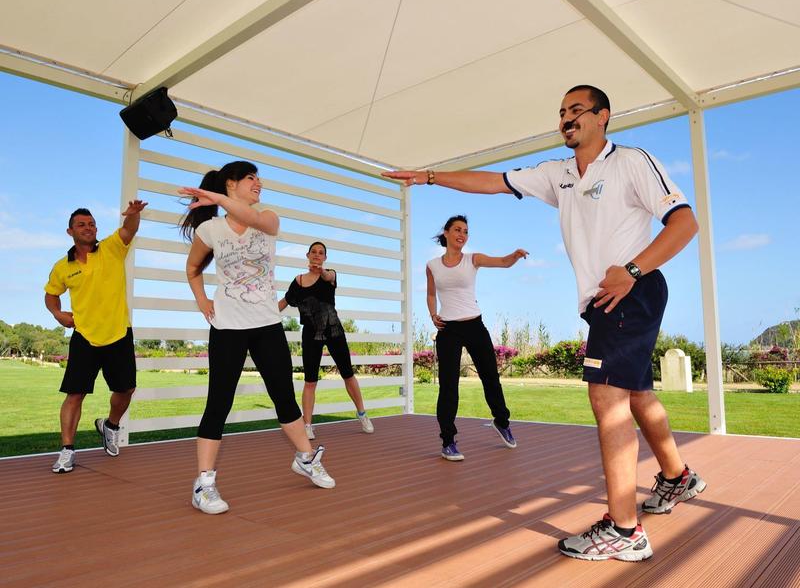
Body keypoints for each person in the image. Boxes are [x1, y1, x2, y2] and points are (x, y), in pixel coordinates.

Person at [383, 85, 706, 562]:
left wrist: (632, 270)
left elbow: (684, 224)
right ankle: (678, 478)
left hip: (630, 292)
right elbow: (493, 182)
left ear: (603, 117)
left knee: (606, 395)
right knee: (636, 394)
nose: (566, 117)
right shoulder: (557, 175)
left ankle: (624, 529)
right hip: (604, 299)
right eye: (561, 112)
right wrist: (430, 177)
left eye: (577, 110)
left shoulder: (631, 161)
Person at [178, 161, 335, 515]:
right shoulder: (211, 230)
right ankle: (203, 484)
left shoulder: (268, 218)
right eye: (251, 178)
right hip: (228, 328)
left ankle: (306, 459)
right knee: (218, 404)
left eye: (259, 178)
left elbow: (256, 220)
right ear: (232, 184)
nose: (259, 183)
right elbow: (192, 269)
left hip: (266, 324)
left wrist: (217, 197)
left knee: (284, 397)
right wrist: (203, 302)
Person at [45, 201, 147, 473]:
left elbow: (129, 230)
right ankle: (67, 451)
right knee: (74, 395)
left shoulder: (112, 248)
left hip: (118, 333)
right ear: (70, 232)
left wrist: (133, 214)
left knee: (126, 390)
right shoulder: (62, 267)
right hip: (85, 337)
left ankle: (110, 425)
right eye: (81, 225)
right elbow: (51, 293)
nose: (87, 228)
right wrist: (57, 314)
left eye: (91, 224)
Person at [426, 215, 528, 461]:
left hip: (474, 325)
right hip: (447, 330)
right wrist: (433, 314)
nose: (462, 234)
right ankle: (448, 441)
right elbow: (431, 294)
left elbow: (502, 262)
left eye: (466, 231)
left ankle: (501, 421)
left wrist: (514, 256)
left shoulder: (473, 259)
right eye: (458, 230)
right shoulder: (432, 265)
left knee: (490, 377)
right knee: (448, 386)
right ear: (447, 233)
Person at [278, 241, 374, 439]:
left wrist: (321, 271)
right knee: (310, 381)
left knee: (348, 374)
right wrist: (262, 313)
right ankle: (307, 425)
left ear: (325, 258)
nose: (317, 255)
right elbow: (284, 302)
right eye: (313, 252)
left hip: (334, 331)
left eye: (321, 253)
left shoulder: (330, 275)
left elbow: (327, 275)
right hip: (311, 334)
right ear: (307, 255)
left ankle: (362, 414)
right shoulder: (298, 281)